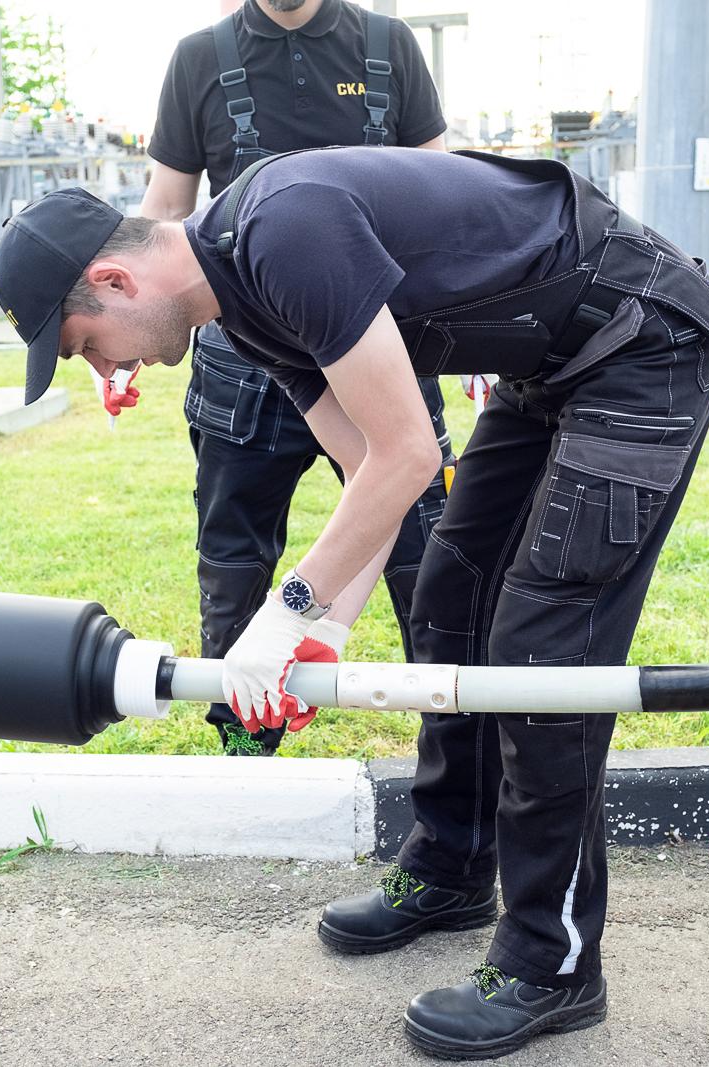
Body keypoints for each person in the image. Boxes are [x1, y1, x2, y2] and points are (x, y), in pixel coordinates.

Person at [0, 145, 709, 1059]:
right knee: (449, 598)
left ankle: (555, 961)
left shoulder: (285, 229)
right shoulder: (243, 305)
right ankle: (455, 865)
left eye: (85, 345)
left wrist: (285, 606)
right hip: (551, 364)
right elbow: (365, 468)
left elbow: (408, 458)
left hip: (640, 339)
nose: (111, 371)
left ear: (111, 278)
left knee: (543, 652)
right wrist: (326, 629)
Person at [140, 0, 455, 757]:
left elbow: (442, 198)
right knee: (234, 578)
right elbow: (165, 211)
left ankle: (457, 779)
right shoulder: (197, 59)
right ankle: (248, 759)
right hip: (244, 369)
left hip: (382, 354)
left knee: (436, 575)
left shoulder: (390, 46)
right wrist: (136, 329)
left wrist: (464, 349)